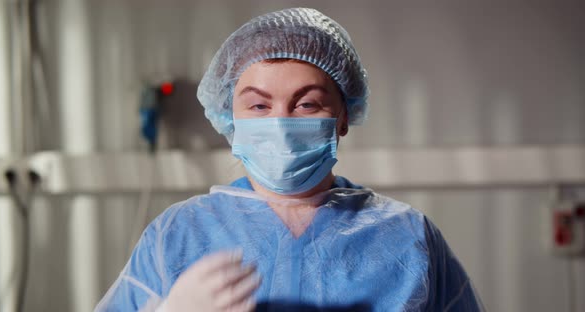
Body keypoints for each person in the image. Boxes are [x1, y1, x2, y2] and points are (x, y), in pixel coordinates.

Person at [96, 7, 483, 312]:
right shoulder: (177, 235)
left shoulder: (409, 237)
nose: (280, 124)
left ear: (343, 117)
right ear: (230, 118)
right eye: (259, 105)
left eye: (307, 104)